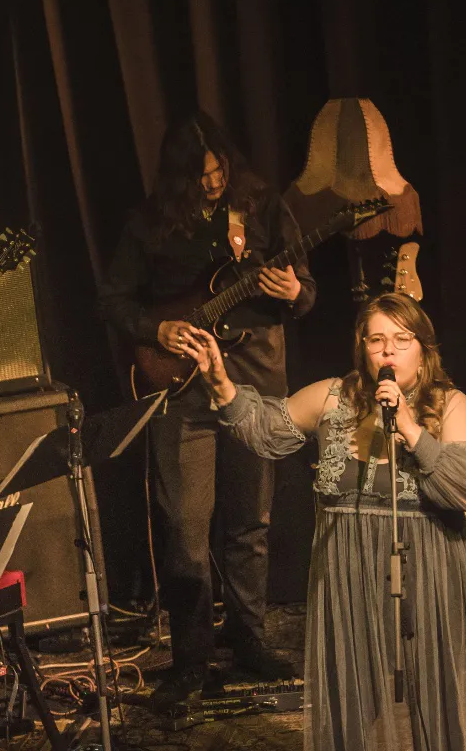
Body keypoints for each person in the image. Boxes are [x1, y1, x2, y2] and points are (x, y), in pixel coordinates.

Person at [176, 293, 466, 751]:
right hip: (345, 565)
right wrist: (221, 382)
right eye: (375, 339)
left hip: (426, 563)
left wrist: (411, 428)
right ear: (361, 347)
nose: (387, 351)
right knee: (343, 698)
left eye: (401, 340)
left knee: (431, 695)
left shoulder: (449, 405)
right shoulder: (333, 398)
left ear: (423, 349)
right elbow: (265, 431)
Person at [98, 112, 316, 708]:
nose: (214, 183)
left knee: (251, 522)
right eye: (200, 177)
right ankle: (191, 657)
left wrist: (296, 291)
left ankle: (249, 639)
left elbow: (306, 289)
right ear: (177, 178)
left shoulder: (263, 208)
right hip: (182, 389)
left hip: (255, 383)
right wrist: (157, 329)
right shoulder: (149, 223)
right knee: (186, 528)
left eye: (219, 171)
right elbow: (112, 299)